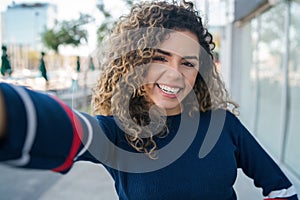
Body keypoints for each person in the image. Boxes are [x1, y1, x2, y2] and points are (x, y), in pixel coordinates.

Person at [0, 1, 298, 200]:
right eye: (160, 58)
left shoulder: (223, 125)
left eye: (188, 63)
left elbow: (282, 188)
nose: (174, 75)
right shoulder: (118, 133)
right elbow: (59, 127)